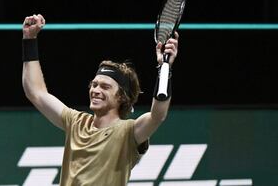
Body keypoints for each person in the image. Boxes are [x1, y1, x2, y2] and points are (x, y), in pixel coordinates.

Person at [21, 14, 178, 186]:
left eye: (105, 87)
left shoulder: (128, 132)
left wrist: (164, 66)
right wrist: (29, 39)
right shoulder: (76, 122)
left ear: (121, 97)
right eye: (94, 84)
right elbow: (35, 92)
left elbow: (158, 115)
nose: (95, 90)